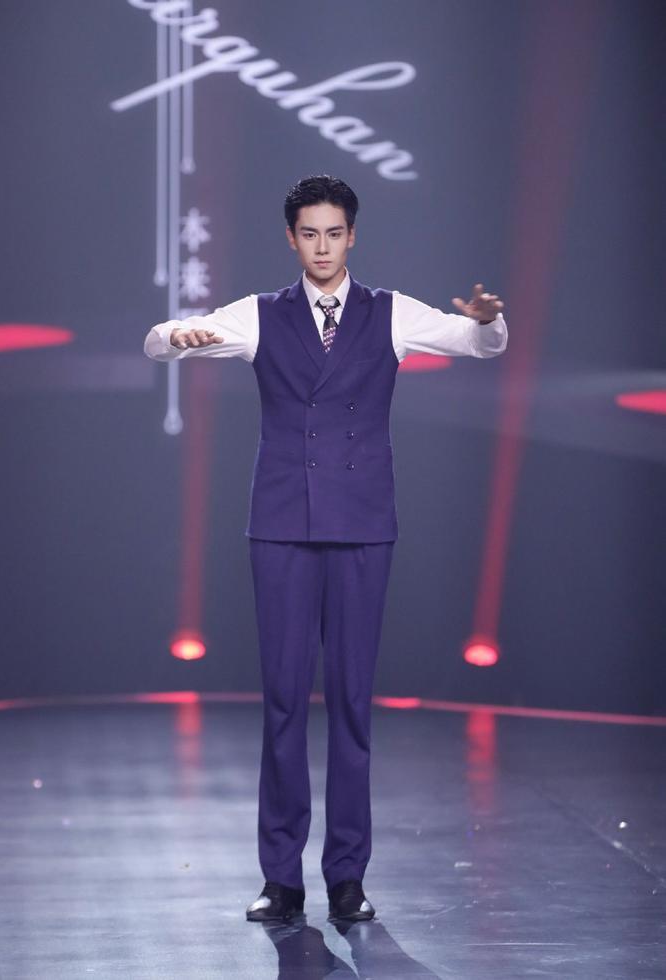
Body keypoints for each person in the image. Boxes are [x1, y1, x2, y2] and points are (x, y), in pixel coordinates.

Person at [143, 174, 507, 923]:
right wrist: (176, 337)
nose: (321, 247)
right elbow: (160, 341)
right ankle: (281, 879)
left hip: (363, 523)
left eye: (333, 233)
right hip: (281, 524)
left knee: (350, 703)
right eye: (308, 233)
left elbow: (477, 343)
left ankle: (348, 877)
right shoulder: (260, 315)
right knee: (283, 701)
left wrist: (489, 321)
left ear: (352, 236)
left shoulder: (391, 312)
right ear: (291, 239)